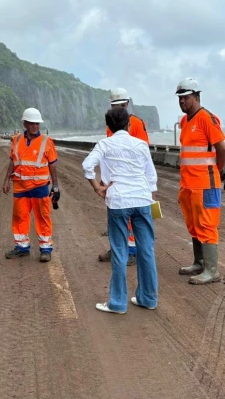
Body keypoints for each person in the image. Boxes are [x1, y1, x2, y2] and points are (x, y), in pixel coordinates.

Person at [82, 106, 158, 314]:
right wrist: (150, 198)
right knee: (146, 250)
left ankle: (117, 302)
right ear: (129, 124)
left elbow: (87, 165)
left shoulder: (105, 144)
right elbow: (151, 176)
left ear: (109, 126)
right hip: (142, 200)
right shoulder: (141, 145)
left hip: (118, 201)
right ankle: (148, 298)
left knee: (119, 251)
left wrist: (97, 187)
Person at [175, 78, 225, 284]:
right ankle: (199, 262)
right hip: (188, 184)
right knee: (194, 224)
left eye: (186, 98)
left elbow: (222, 148)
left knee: (207, 225)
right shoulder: (184, 121)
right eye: (180, 98)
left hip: (206, 183)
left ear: (196, 97)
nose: (182, 102)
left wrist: (217, 170)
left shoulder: (207, 118)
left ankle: (212, 270)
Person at [97, 88, 150, 266]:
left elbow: (143, 153)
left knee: (130, 216)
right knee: (115, 216)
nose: (117, 108)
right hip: (114, 179)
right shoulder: (110, 125)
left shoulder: (136, 123)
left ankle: (132, 251)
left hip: (130, 179)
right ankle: (117, 248)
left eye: (119, 105)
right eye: (114, 106)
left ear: (127, 104)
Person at [2, 108, 60, 263]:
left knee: (43, 217)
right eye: (32, 123)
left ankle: (45, 249)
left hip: (39, 186)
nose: (35, 126)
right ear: (25, 124)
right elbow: (13, 161)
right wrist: (6, 179)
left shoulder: (46, 141)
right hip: (20, 187)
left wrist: (55, 186)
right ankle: (22, 247)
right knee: (20, 217)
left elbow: (52, 165)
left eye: (37, 124)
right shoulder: (16, 140)